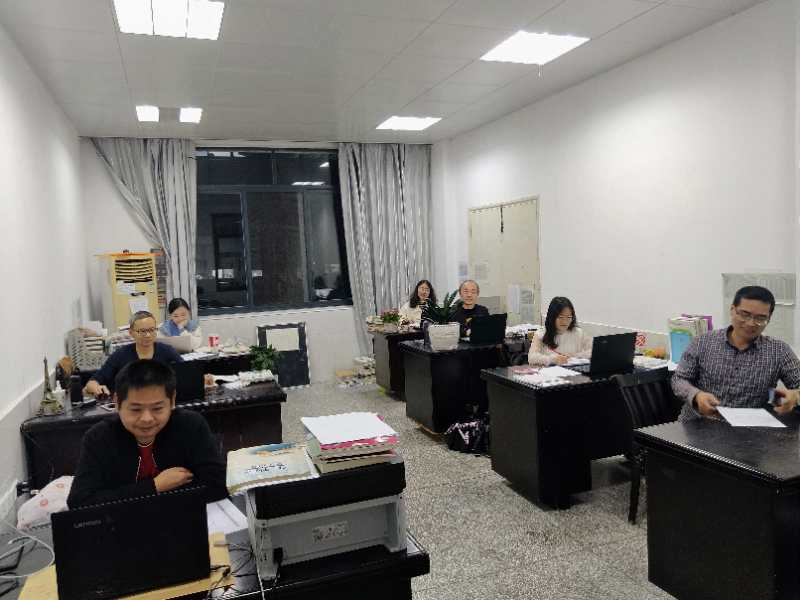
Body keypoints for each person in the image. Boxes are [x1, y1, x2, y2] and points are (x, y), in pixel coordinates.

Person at [67, 359, 227, 507]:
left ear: (172, 401)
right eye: (136, 409)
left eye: (157, 408)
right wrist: (155, 486)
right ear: (117, 403)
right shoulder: (99, 438)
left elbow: (217, 485)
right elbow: (79, 502)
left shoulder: (191, 425)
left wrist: (126, 496)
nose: (147, 419)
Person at [674, 285, 800, 420]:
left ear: (768, 319)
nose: (751, 323)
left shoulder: (779, 351)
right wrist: (696, 395)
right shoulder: (703, 342)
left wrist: (796, 396)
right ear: (732, 310)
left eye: (760, 318)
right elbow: (679, 379)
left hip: (747, 428)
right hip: (697, 422)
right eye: (745, 314)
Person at [85, 311, 182, 397]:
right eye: (142, 331)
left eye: (152, 330)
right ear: (131, 333)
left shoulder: (167, 351)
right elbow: (92, 383)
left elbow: (186, 373)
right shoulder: (120, 355)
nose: (148, 335)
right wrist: (97, 388)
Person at [528, 297, 592, 366]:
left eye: (569, 317)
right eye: (560, 317)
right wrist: (552, 359)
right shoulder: (541, 333)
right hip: (550, 371)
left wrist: (574, 356)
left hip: (572, 370)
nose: (565, 321)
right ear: (552, 317)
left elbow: (594, 350)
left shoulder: (578, 332)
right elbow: (532, 357)